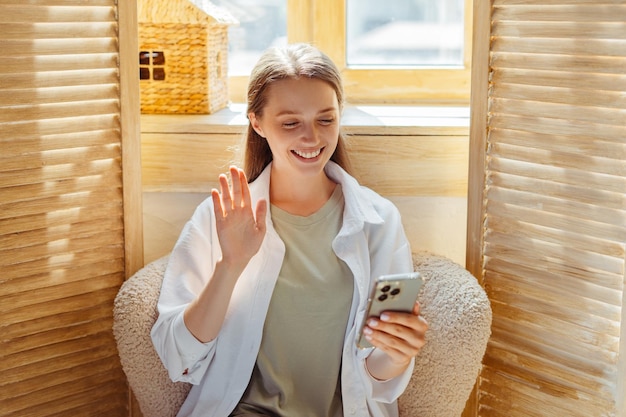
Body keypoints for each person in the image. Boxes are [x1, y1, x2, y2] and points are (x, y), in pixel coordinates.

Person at [151, 43, 428, 417]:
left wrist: (396, 353)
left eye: (325, 120)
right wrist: (230, 265)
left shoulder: (379, 221)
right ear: (257, 123)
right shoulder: (219, 217)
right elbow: (177, 356)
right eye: (290, 122)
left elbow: (375, 380)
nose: (312, 138)